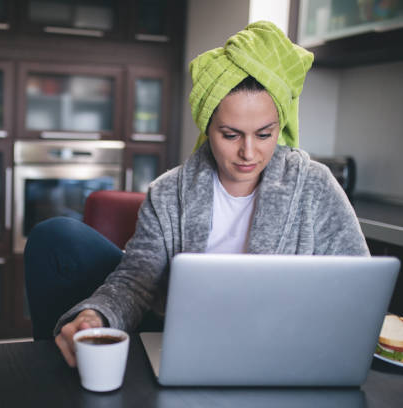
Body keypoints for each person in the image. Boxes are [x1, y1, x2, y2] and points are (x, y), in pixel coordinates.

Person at [24, 21, 370, 367]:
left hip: (281, 347)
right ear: (208, 127)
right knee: (56, 236)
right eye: (231, 135)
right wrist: (96, 315)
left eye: (264, 134)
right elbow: (136, 280)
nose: (249, 152)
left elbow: (359, 288)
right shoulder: (169, 192)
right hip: (183, 338)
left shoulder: (314, 185)